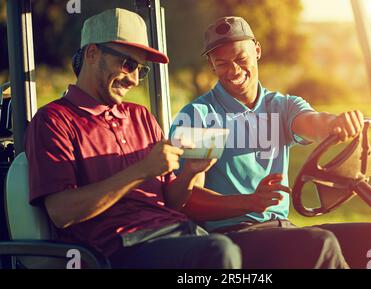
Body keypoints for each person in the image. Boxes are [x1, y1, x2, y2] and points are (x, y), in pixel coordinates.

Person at [169, 16, 371, 268]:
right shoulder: (199, 116)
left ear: (257, 50)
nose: (234, 70)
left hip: (282, 229)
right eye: (222, 63)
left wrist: (335, 123)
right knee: (319, 243)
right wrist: (250, 202)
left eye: (241, 59)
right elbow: (188, 201)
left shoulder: (281, 106)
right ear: (211, 65)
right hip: (233, 236)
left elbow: (313, 122)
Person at [25, 8, 242, 269]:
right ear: (92, 54)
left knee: (250, 250)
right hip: (113, 251)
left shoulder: (141, 116)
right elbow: (62, 212)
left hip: (174, 232)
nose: (134, 80)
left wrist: (189, 174)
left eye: (141, 70)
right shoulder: (54, 120)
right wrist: (140, 171)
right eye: (128, 65)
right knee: (218, 251)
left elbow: (171, 200)